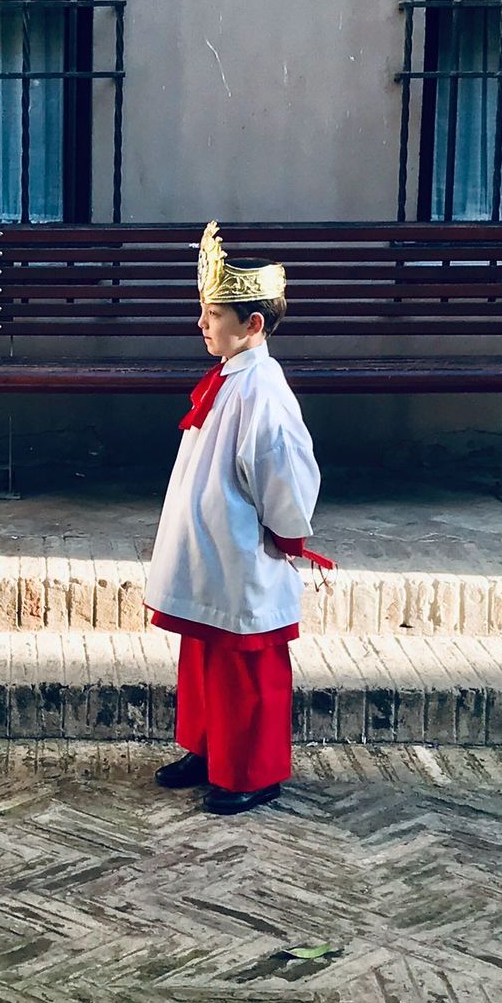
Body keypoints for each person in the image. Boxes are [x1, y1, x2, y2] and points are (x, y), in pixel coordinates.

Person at [144, 221, 331, 815]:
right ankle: (208, 749)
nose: (202, 324)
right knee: (206, 651)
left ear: (251, 325)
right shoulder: (230, 378)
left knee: (247, 664)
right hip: (212, 546)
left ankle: (253, 769)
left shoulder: (265, 392)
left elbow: (283, 471)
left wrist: (285, 530)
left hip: (243, 547)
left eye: (213, 313)